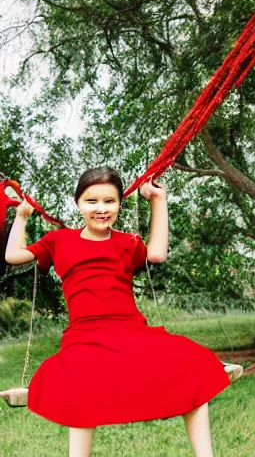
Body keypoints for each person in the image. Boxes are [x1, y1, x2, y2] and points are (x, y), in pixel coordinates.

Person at [4, 166, 240, 457]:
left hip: (131, 330)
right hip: (84, 334)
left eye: (109, 201)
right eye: (92, 201)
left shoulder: (128, 242)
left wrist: (157, 199)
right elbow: (13, 255)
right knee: (79, 383)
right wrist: (22, 216)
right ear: (78, 203)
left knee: (190, 364)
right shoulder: (59, 240)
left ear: (119, 204)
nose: (101, 209)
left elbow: (157, 254)